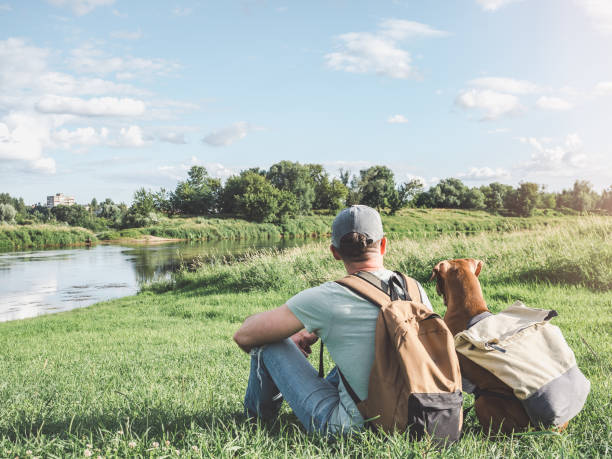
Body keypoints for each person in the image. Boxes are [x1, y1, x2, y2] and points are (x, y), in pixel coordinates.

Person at [233, 205, 433, 434]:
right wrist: (313, 330)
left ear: (335, 252)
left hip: (352, 428)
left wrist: (290, 335)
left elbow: (244, 335)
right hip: (423, 417)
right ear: (384, 244)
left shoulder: (329, 296)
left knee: (266, 344)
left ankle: (254, 420)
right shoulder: (415, 289)